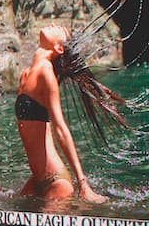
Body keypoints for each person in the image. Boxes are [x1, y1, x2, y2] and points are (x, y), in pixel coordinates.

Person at [15, 24, 126, 203]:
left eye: (61, 30)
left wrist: (83, 184)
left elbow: (61, 130)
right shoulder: (25, 74)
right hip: (36, 180)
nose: (54, 25)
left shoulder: (46, 73)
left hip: (56, 182)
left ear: (59, 48)